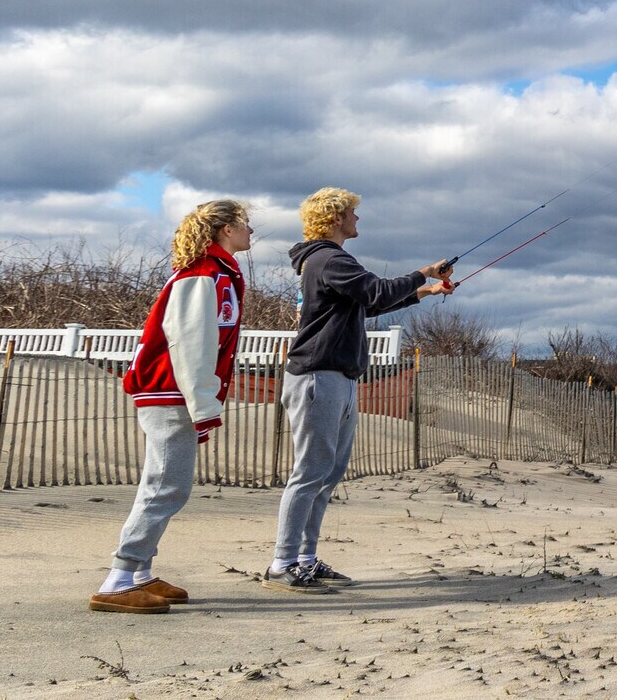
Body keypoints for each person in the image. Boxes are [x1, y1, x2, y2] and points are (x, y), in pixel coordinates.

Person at [265, 187, 453, 593]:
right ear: (335, 218)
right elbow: (376, 291)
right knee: (310, 472)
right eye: (352, 213)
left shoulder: (330, 261)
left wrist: (424, 291)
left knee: (327, 474)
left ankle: (306, 559)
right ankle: (282, 563)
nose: (358, 219)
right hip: (318, 375)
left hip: (340, 376)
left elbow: (366, 305)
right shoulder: (327, 258)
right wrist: (423, 272)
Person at [91, 199, 253, 613]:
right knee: (166, 485)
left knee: (166, 482)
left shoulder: (216, 272)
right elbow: (191, 343)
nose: (251, 231)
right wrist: (204, 405)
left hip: (173, 390)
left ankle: (141, 572)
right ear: (225, 230)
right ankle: (119, 577)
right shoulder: (204, 275)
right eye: (245, 223)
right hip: (170, 390)